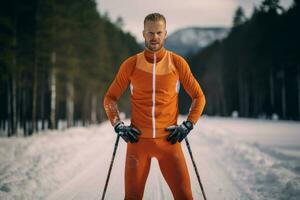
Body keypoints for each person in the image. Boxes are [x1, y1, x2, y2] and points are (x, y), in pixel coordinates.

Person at [103, 12, 206, 200]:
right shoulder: (131, 64)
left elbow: (199, 97)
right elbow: (110, 98)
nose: (154, 37)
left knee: (185, 196)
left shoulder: (177, 63)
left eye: (159, 32)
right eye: (150, 33)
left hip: (169, 143)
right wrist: (117, 124)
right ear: (143, 34)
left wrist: (188, 124)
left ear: (165, 33)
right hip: (138, 144)